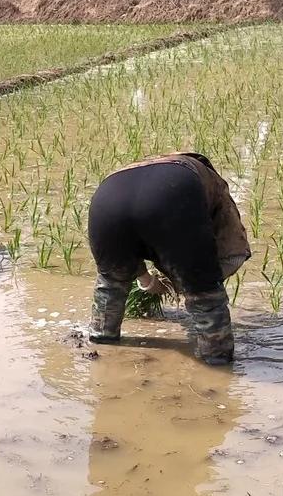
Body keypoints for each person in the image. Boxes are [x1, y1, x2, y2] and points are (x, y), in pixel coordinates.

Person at [87, 152, 251, 364]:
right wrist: (192, 283)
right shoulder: (211, 180)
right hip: (172, 197)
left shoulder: (132, 170)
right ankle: (217, 363)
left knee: (111, 284)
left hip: (106, 201)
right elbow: (234, 252)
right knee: (207, 296)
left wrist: (148, 281)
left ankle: (101, 348)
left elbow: (126, 257)